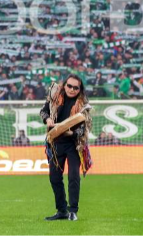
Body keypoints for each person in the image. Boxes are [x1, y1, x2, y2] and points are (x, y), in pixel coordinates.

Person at [40, 75, 93, 222]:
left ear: (80, 89)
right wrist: (48, 119)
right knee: (54, 178)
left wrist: (71, 132)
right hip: (56, 142)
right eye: (69, 86)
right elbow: (43, 111)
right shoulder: (55, 97)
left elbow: (84, 128)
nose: (72, 89)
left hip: (74, 144)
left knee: (73, 177)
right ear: (64, 85)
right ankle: (62, 210)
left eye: (76, 88)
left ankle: (73, 211)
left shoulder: (83, 104)